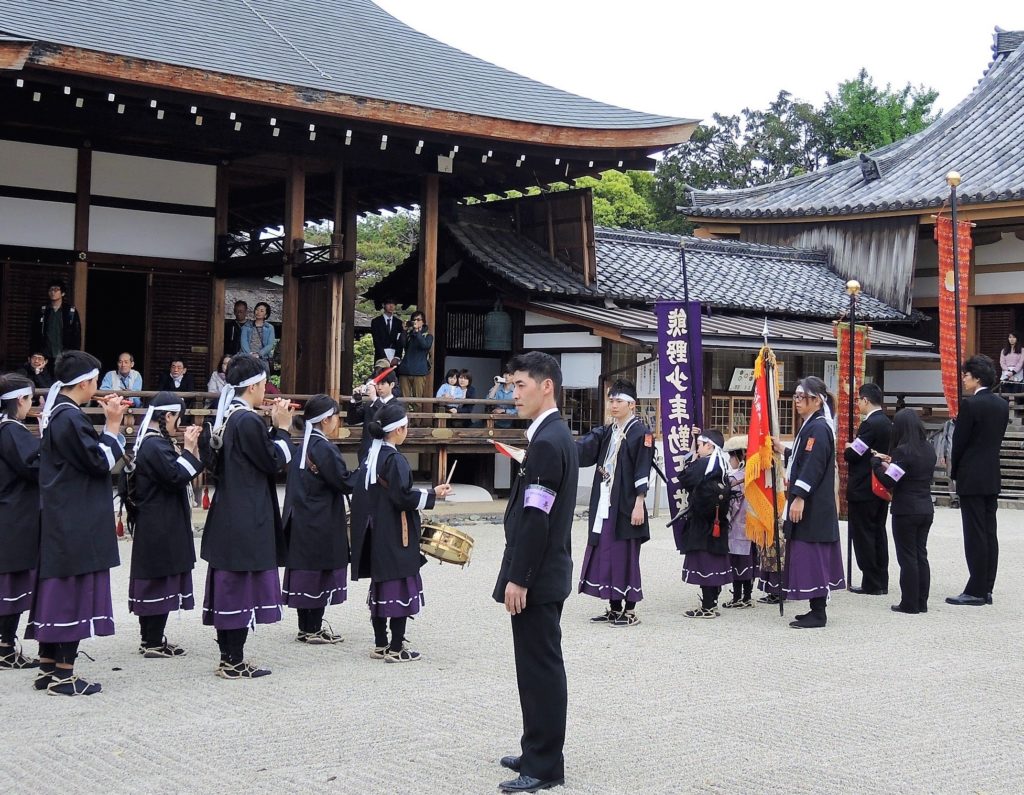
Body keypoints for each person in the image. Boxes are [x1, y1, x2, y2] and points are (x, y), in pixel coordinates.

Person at [493, 352, 576, 794]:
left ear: (547, 386)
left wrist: (520, 576)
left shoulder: (547, 441)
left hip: (538, 575)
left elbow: (537, 517)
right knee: (533, 666)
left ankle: (545, 765)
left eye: (520, 384)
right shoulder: (550, 435)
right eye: (511, 384)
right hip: (544, 569)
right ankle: (534, 748)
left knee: (541, 667)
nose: (513, 392)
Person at [26, 350, 127, 695]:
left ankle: (48, 667)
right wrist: (113, 426)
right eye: (96, 380)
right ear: (85, 382)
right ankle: (64, 676)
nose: (97, 386)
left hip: (62, 515)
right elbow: (101, 462)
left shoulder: (60, 415)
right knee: (71, 594)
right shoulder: (71, 418)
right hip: (77, 519)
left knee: (57, 591)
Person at [201, 354, 294, 678]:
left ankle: (230, 658)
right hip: (247, 511)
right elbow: (273, 462)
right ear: (255, 385)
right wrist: (283, 429)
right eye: (264, 383)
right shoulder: (247, 420)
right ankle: (234, 661)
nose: (266, 389)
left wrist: (271, 425)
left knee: (229, 586)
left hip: (229, 507)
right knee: (239, 588)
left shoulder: (228, 416)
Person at [349, 401, 451, 662]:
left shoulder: (371, 457)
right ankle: (396, 648)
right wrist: (432, 494)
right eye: (406, 426)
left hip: (376, 531)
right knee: (399, 583)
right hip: (396, 532)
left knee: (381, 585)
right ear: (398, 430)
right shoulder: (395, 459)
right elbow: (402, 497)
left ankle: (381, 643)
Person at [128, 393, 204, 657]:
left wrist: (189, 450)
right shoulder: (154, 446)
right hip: (160, 522)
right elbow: (176, 476)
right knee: (158, 580)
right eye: (177, 419)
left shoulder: (153, 443)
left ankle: (152, 639)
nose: (178, 425)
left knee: (157, 578)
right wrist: (190, 448)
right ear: (168, 416)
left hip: (158, 520)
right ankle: (151, 641)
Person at [281, 395, 358, 644]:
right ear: (326, 419)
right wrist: (367, 471)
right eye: (335, 415)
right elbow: (343, 481)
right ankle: (312, 629)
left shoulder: (304, 443)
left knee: (306, 571)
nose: (337, 420)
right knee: (319, 571)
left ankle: (306, 627)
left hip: (301, 516)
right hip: (320, 518)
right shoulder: (323, 447)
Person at [575, 379, 652, 627]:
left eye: (618, 401)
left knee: (624, 552)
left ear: (632, 404)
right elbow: (585, 449)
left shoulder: (641, 432)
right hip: (606, 499)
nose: (613, 405)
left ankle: (629, 610)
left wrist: (639, 502)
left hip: (627, 502)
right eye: (611, 400)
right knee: (605, 549)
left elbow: (642, 468)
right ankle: (613, 606)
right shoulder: (609, 430)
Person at [777, 377, 846, 629]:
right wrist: (783, 450)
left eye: (801, 396)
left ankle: (819, 612)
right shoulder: (812, 425)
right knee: (808, 553)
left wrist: (799, 497)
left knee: (813, 554)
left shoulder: (818, 428)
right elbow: (802, 457)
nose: (796, 401)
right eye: (795, 396)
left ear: (816, 400)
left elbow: (813, 466)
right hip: (811, 502)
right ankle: (814, 608)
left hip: (814, 505)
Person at [946, 355, 1010, 606]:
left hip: (972, 475)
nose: (964, 378)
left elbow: (959, 443)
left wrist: (954, 472)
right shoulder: (1001, 405)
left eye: (966, 374)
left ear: (977, 378)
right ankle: (987, 586)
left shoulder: (970, 406)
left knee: (974, 533)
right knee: (989, 532)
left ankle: (976, 588)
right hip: (991, 472)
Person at [871, 409, 937, 614]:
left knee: (907, 556)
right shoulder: (928, 449)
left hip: (906, 509)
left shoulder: (903, 450)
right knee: (920, 554)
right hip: (926, 506)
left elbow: (889, 480)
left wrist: (876, 465)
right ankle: (921, 601)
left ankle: (909, 602)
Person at [0, 374, 41, 670]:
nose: (31, 404)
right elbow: (34, 467)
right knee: (11, 585)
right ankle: (4, 647)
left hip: (9, 512)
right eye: (29, 399)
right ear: (19, 400)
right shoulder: (12, 430)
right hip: (13, 515)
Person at [675, 429, 733, 618]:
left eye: (700, 445)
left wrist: (691, 457)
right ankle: (712, 602)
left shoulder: (704, 464)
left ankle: (708, 606)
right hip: (717, 521)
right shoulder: (722, 464)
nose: (698, 448)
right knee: (713, 559)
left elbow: (684, 478)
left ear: (709, 446)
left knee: (705, 561)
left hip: (702, 522)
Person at [843, 383, 892, 595]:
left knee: (863, 534)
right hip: (880, 484)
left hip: (864, 487)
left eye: (859, 400)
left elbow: (853, 454)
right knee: (879, 531)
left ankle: (871, 581)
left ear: (865, 400)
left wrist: (848, 448)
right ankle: (881, 579)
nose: (858, 404)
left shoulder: (870, 425)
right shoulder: (888, 423)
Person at [723, 435, 756, 609]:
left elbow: (733, 505)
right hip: (751, 525)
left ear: (740, 456)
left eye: (731, 456)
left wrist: (725, 517)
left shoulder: (736, 479)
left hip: (737, 527)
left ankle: (737, 597)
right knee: (749, 560)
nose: (730, 460)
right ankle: (747, 596)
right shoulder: (755, 475)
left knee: (737, 562)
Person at [348, 366, 399, 463]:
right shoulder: (369, 404)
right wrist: (355, 400)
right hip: (367, 452)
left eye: (383, 383)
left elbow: (388, 415)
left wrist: (375, 399)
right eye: (377, 384)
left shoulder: (397, 405)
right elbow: (352, 420)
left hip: (387, 455)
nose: (379, 387)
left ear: (392, 384)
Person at [30, 280, 81, 371]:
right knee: (43, 379)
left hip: (64, 354)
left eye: (56, 290)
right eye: (50, 290)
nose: (53, 292)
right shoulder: (43, 311)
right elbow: (34, 333)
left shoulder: (70, 311)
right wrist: (34, 353)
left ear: (63, 293)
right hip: (45, 353)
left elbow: (76, 335)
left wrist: (74, 354)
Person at [397, 311, 433, 426]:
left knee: (417, 401)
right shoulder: (409, 334)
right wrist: (404, 330)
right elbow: (401, 344)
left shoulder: (428, 336)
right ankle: (404, 423)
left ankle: (417, 423)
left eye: (419, 320)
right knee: (404, 400)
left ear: (423, 322)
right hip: (405, 370)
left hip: (419, 371)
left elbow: (425, 346)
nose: (416, 322)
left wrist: (417, 332)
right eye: (414, 320)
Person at [240, 302, 276, 374]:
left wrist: (259, 354)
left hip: (262, 358)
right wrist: (250, 354)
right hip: (247, 357)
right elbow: (243, 342)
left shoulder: (270, 328)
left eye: (262, 311)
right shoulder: (246, 326)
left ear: (266, 315)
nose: (258, 312)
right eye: (257, 309)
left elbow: (270, 344)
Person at [930, 417, 957, 508]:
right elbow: (944, 440)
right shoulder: (948, 424)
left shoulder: (965, 422)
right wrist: (942, 455)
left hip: (961, 454)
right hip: (950, 453)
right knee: (950, 476)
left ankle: (961, 497)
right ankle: (954, 499)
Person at [369, 297, 404, 366]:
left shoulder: (399, 322)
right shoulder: (376, 321)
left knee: (394, 376)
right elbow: (376, 340)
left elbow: (400, 341)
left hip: (394, 356)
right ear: (383, 305)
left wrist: (397, 357)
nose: (391, 306)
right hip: (381, 355)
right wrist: (383, 357)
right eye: (389, 303)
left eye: (393, 304)